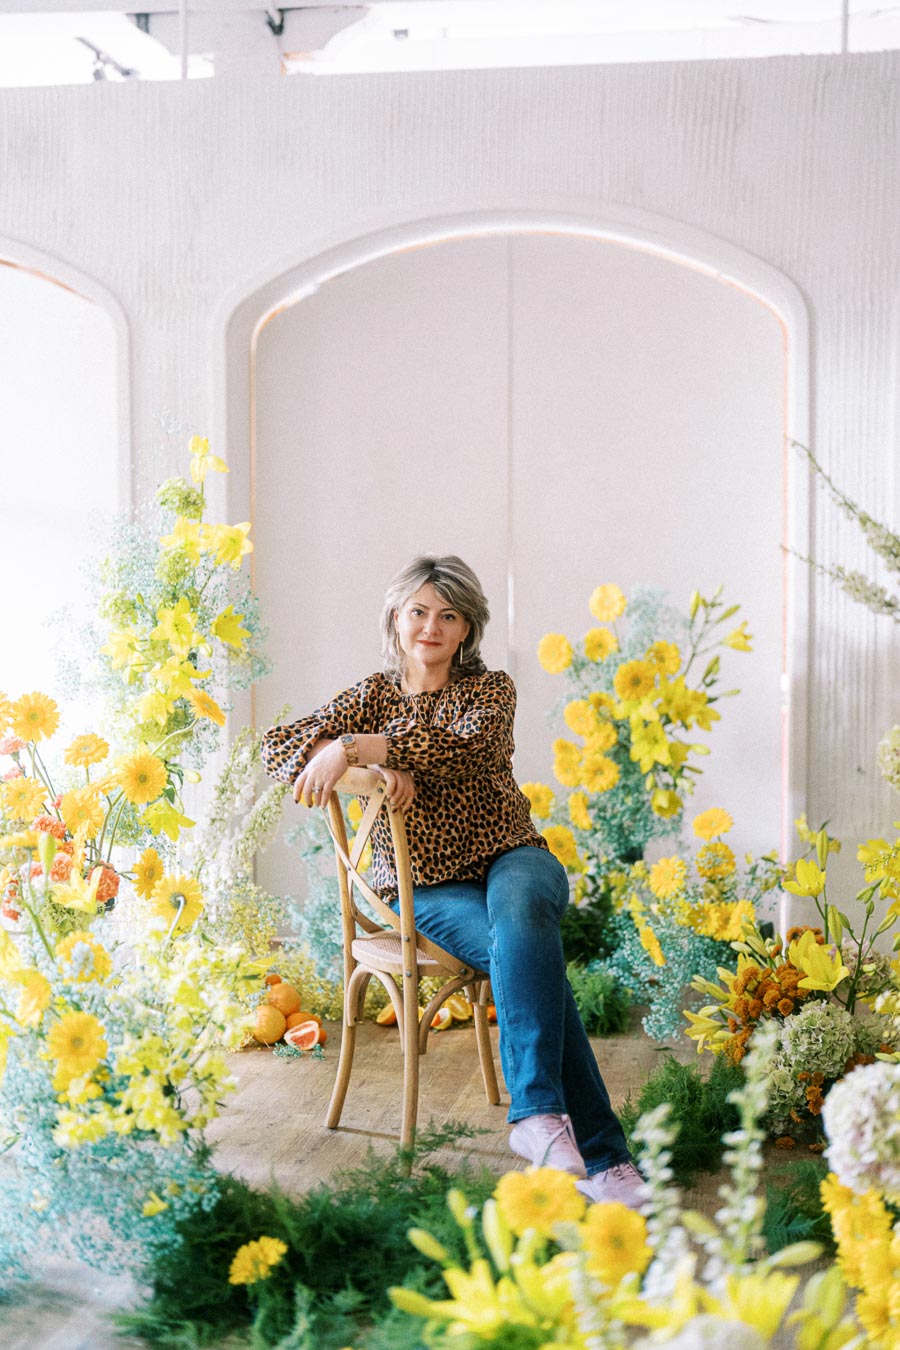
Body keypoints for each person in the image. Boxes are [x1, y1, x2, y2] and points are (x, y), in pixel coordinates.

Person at [261, 554, 645, 1208]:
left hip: (510, 856)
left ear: (468, 627)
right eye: (418, 611)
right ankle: (602, 1159)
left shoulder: (490, 689)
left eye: (448, 615)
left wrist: (359, 749)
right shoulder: (372, 695)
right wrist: (368, 766)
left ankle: (537, 1117)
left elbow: (463, 745)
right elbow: (278, 747)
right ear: (396, 617)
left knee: (522, 918)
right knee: (530, 958)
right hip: (426, 887)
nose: (430, 627)